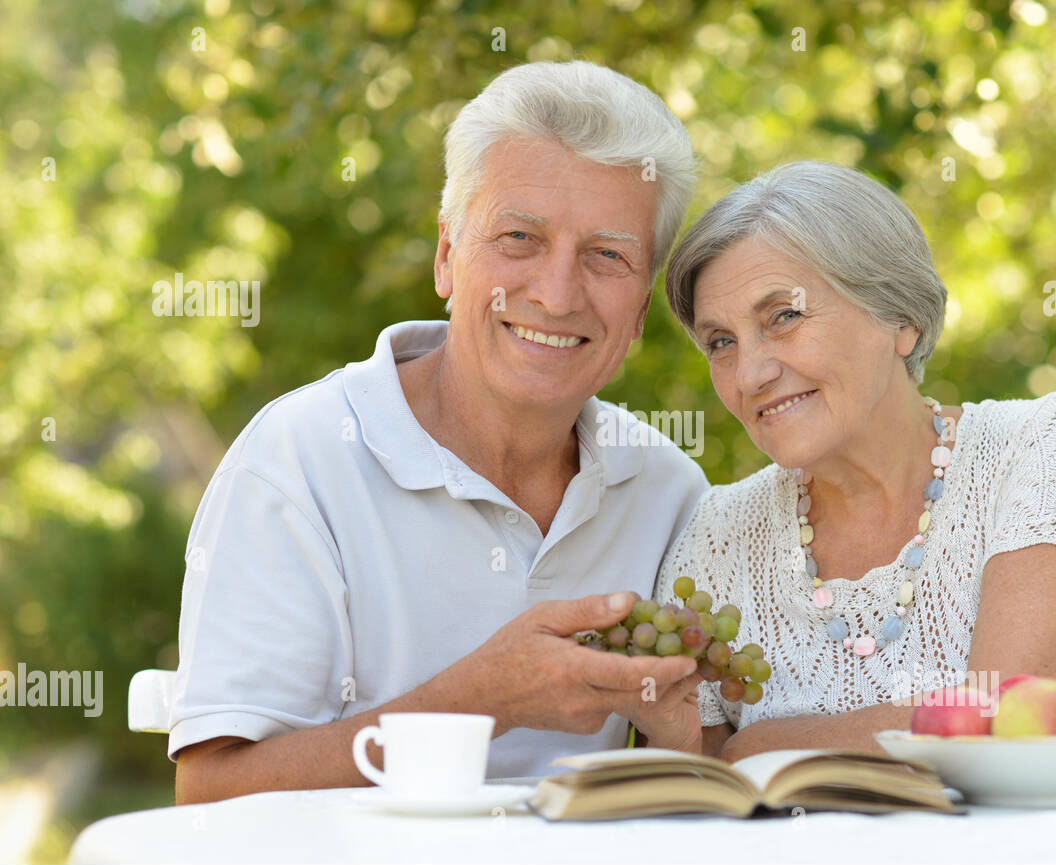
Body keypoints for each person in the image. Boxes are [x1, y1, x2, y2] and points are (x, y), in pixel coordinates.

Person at [171, 61, 710, 803]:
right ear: (448, 255)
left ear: (643, 307)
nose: (556, 294)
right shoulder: (299, 458)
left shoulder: (670, 490)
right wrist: (485, 698)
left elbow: (690, 785)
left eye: (607, 255)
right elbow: (213, 794)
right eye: (519, 236)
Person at [657, 161, 1056, 761]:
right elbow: (686, 792)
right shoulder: (717, 532)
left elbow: (1008, 731)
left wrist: (759, 744)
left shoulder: (1047, 443)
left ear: (901, 320)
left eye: (785, 316)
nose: (750, 374)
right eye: (721, 342)